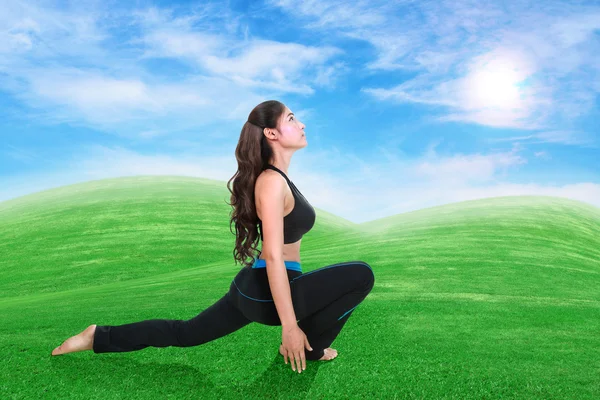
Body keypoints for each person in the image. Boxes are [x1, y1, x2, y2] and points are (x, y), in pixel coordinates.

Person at [50, 100, 375, 374]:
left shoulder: (277, 178)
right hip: (268, 291)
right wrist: (290, 327)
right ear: (272, 133)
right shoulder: (272, 182)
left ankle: (97, 336)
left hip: (255, 287)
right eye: (291, 118)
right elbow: (274, 255)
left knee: (188, 333)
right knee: (361, 275)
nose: (301, 123)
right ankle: (310, 349)